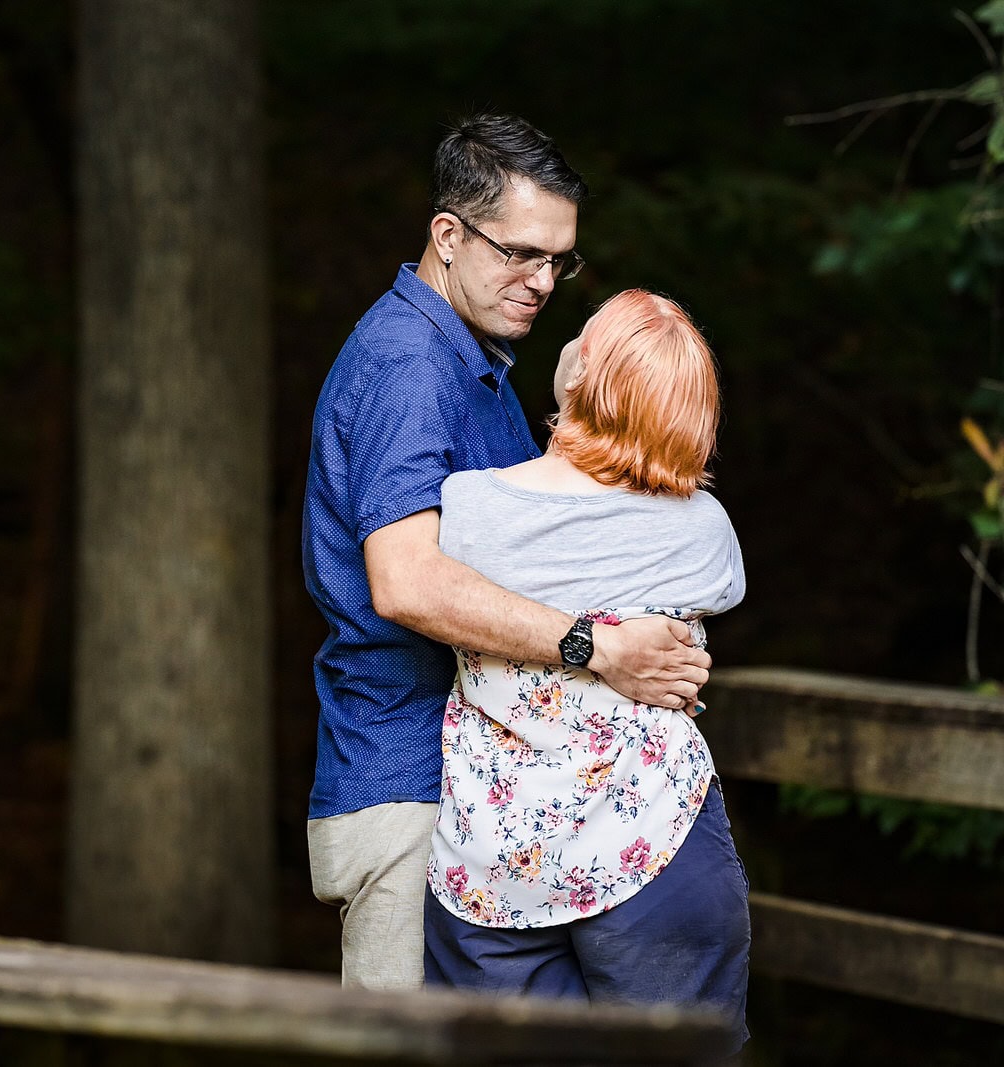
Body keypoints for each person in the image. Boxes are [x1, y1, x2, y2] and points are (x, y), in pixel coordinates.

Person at [302, 112, 712, 991]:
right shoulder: (409, 364)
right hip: (408, 785)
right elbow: (406, 581)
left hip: (480, 792)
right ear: (447, 236)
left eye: (559, 260)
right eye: (519, 253)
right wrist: (600, 647)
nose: (542, 281)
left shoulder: (475, 360)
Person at [423, 289, 748, 1057]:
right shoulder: (703, 533)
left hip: (495, 864)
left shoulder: (467, 513)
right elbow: (723, 592)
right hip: (656, 845)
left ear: (581, 379)